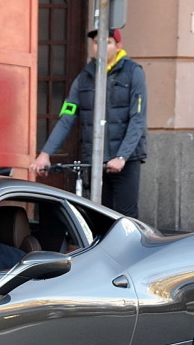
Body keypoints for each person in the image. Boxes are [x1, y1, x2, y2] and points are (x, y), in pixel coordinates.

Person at [30, 28, 148, 218]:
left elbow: (138, 119)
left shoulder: (133, 73)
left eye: (107, 42)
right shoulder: (83, 78)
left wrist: (122, 156)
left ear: (118, 47)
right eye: (96, 42)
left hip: (126, 160)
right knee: (100, 215)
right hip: (95, 159)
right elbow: (67, 117)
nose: (100, 46)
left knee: (126, 216)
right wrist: (45, 154)